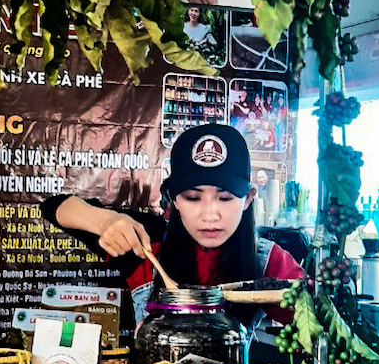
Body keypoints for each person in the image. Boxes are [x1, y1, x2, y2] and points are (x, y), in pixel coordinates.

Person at [41, 124, 303, 328]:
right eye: (192, 197)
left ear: (247, 199)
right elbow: (53, 207)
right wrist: (104, 221)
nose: (210, 214)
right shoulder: (147, 243)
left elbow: (320, 325)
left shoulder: (267, 261)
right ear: (175, 199)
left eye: (224, 197)